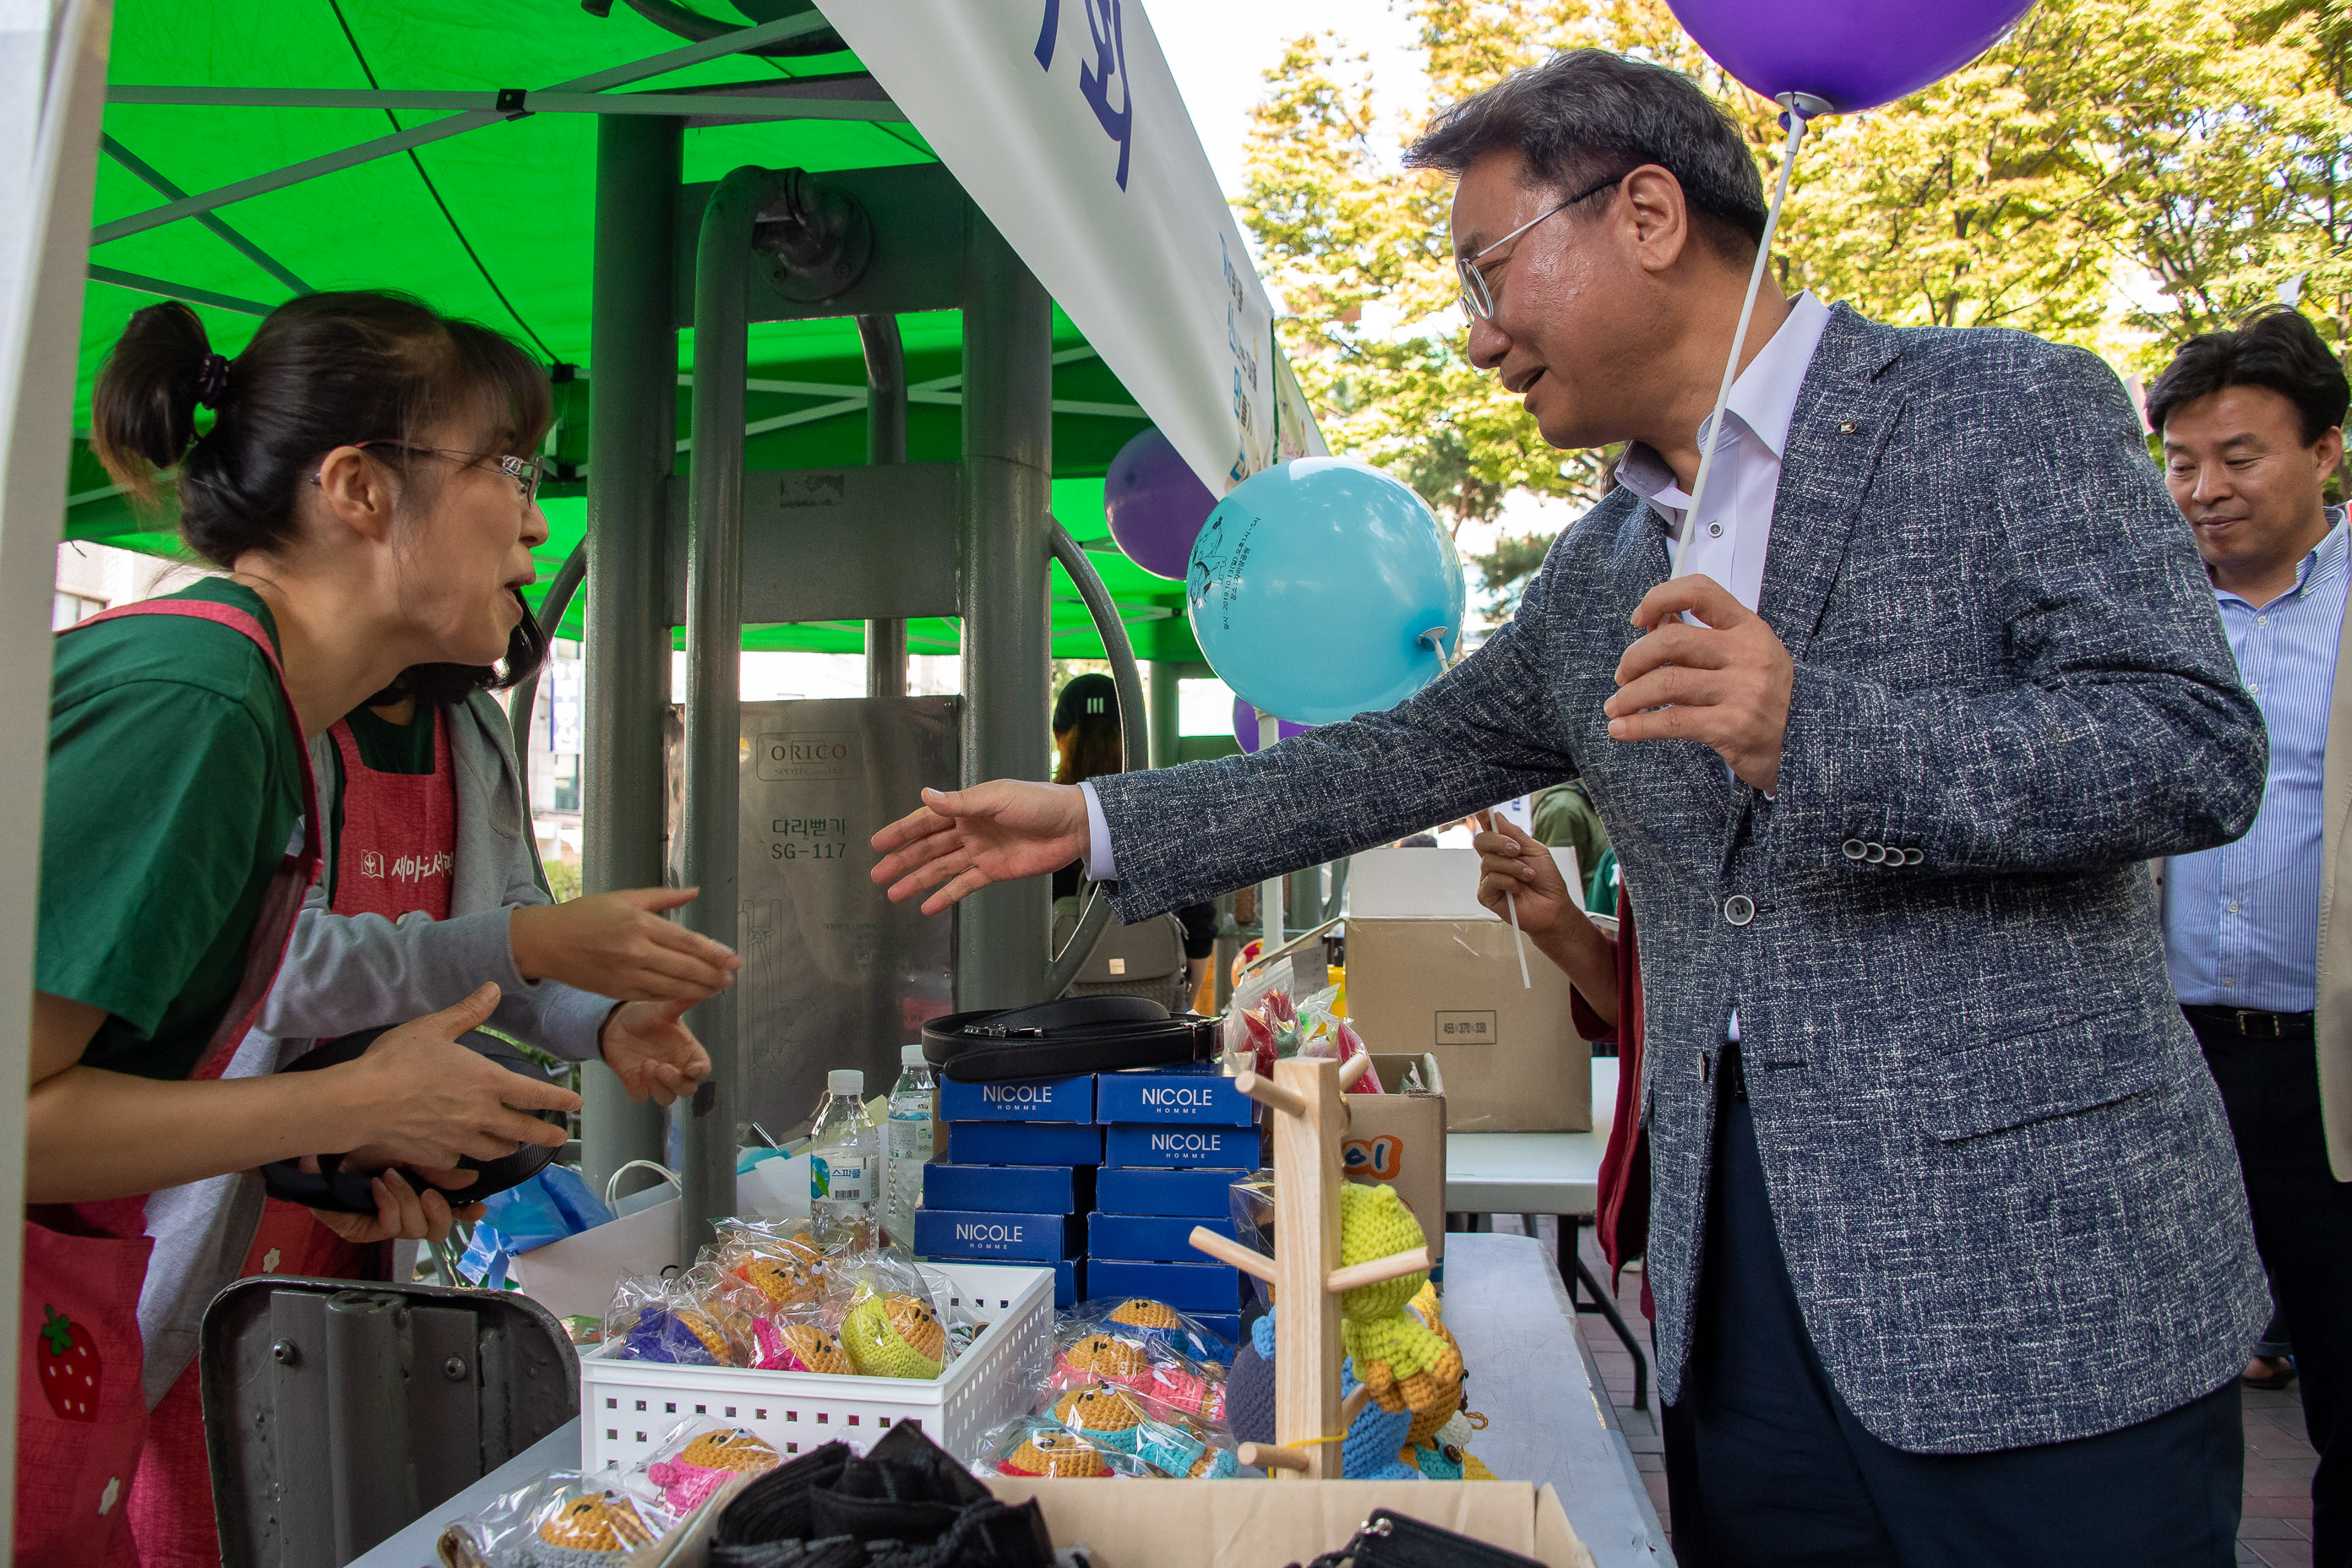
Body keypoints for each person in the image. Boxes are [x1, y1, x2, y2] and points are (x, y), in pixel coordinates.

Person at [872, 49, 2270, 1566]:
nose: (1475, 338)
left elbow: (2188, 746)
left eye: (1486, 269)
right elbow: (1384, 760)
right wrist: (1095, 824)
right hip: (1736, 1322)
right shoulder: (1596, 573)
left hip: (2039, 1309)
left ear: (1648, 213)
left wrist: (1820, 734)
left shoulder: (2001, 411)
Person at [30, 291, 593, 1566]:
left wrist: (349, 1138)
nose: (535, 518)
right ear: (358, 490)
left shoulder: (251, 704)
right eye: (505, 467)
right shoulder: (203, 700)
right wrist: (348, 1109)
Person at [129, 640, 734, 1565]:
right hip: (195, 1234)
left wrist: (604, 1021)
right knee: (196, 1520)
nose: (530, 531)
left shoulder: (472, 726)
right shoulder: (249, 709)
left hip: (348, 1243)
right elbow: (275, 970)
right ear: (364, 499)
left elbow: (510, 947)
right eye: (498, 485)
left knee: (330, 1506)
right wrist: (525, 938)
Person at [2148, 306, 2352, 1568]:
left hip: (2329, 1071)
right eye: (2180, 462)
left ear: (2326, 450)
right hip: (2165, 1059)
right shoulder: (2144, 617)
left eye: (2240, 457)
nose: (2205, 490)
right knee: (2155, 1392)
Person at [1048, 674, 1215, 1003]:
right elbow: (1200, 926)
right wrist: (1181, 1001)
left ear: (1058, 736)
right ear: (1131, 735)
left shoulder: (1044, 815)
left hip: (1065, 1015)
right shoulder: (1163, 809)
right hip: (1154, 1010)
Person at [1528, 778, 1612, 906]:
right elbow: (1561, 887)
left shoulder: (1594, 796)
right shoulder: (1563, 808)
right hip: (1586, 919)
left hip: (1600, 913)